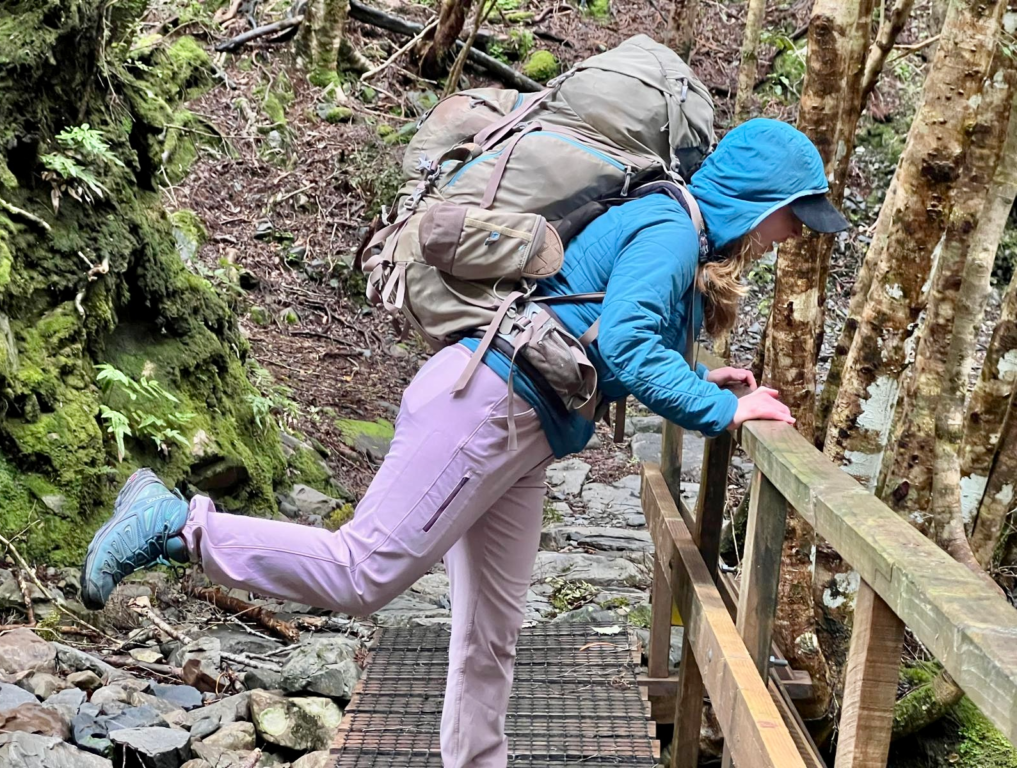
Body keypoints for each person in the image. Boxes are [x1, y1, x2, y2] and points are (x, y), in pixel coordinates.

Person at [80, 118, 847, 768]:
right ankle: (180, 526)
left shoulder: (671, 225)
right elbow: (626, 349)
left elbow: (597, 325)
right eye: (790, 216)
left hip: (524, 430)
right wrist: (721, 412)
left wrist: (708, 377)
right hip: (487, 408)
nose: (786, 236)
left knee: (491, 633)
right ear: (760, 200)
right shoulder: (672, 232)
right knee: (364, 573)